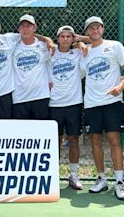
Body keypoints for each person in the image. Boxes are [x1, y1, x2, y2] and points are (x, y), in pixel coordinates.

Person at [80, 16, 124, 200]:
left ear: (102, 28)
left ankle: (119, 182)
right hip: (92, 103)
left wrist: (121, 86)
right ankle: (101, 178)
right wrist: (79, 45)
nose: (94, 31)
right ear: (87, 31)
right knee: (95, 141)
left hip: (112, 101)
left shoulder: (115, 46)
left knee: (114, 140)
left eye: (97, 27)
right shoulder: (83, 53)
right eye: (90, 28)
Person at [48, 26, 85, 190]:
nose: (65, 39)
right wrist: (47, 40)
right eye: (61, 36)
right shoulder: (50, 50)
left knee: (73, 139)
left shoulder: (78, 52)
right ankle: (52, 174)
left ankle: (74, 175)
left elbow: (95, 40)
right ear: (57, 38)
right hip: (53, 103)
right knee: (55, 141)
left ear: (73, 39)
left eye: (68, 36)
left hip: (73, 103)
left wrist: (81, 40)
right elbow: (34, 37)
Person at [12, 14, 51, 119]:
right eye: (22, 26)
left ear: (34, 27)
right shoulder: (12, 45)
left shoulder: (44, 46)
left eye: (28, 26)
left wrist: (80, 44)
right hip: (19, 97)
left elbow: (64, 47)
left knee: (40, 133)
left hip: (40, 97)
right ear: (19, 29)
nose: (25, 29)